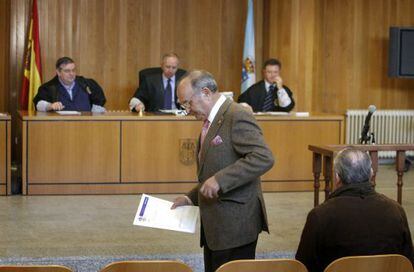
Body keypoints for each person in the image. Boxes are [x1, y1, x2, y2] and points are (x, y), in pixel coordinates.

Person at [171, 70, 274, 272]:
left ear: (206, 93)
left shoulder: (237, 115)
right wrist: (190, 198)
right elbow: (213, 169)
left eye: (187, 103)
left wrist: (221, 180)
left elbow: (263, 157)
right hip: (216, 226)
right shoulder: (210, 120)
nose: (187, 110)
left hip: (236, 225)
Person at [295, 148, 414, 272]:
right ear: (371, 174)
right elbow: (408, 263)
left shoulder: (320, 216)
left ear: (337, 177)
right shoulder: (396, 211)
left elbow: (302, 268)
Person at [33, 57, 106, 112]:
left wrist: (95, 115)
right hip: (59, 127)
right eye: (67, 71)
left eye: (73, 70)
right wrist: (50, 106)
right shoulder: (48, 88)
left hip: (87, 126)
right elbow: (38, 104)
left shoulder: (87, 84)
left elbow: (99, 100)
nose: (71, 74)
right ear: (58, 72)